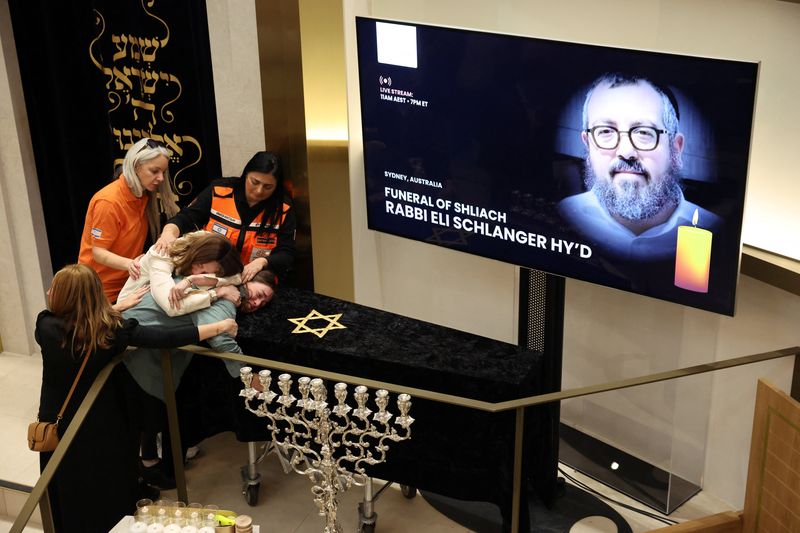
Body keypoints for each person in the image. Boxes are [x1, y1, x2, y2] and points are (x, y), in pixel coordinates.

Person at [35, 264, 237, 533]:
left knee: (67, 489)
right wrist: (216, 328)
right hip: (102, 425)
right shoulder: (110, 333)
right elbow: (164, 337)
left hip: (58, 425)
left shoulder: (45, 326)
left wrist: (115, 307)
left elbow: (75, 324)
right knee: (107, 488)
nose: (49, 292)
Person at [121, 268, 278, 487]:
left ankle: (148, 464)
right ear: (246, 282)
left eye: (265, 301)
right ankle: (144, 474)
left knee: (147, 415)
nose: (258, 302)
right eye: (259, 293)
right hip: (140, 353)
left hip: (138, 342)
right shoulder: (226, 301)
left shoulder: (211, 281)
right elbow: (222, 340)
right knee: (148, 415)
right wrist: (246, 374)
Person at [557, 73, 722, 262]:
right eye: (606, 131)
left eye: (644, 132)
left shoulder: (713, 232)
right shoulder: (564, 213)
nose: (626, 152)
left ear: (676, 149)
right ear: (588, 146)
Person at [154, 151, 296, 283]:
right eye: (255, 182)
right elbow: (187, 217)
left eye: (268, 187)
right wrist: (168, 233)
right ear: (246, 175)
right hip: (208, 274)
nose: (259, 191)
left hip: (253, 280)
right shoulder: (220, 190)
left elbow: (287, 254)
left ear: (276, 186)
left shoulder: (283, 208)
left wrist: (263, 262)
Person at [78, 138, 179, 303]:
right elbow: (98, 253)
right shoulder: (108, 201)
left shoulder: (143, 196)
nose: (161, 178)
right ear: (137, 167)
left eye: (163, 172)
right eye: (154, 171)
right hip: (99, 294)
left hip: (128, 287)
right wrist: (130, 264)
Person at [118, 230, 244, 317]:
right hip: (130, 311)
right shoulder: (161, 254)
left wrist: (194, 279)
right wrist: (218, 292)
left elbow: (237, 276)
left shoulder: (213, 244)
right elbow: (172, 307)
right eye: (199, 266)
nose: (199, 272)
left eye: (205, 272)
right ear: (196, 254)